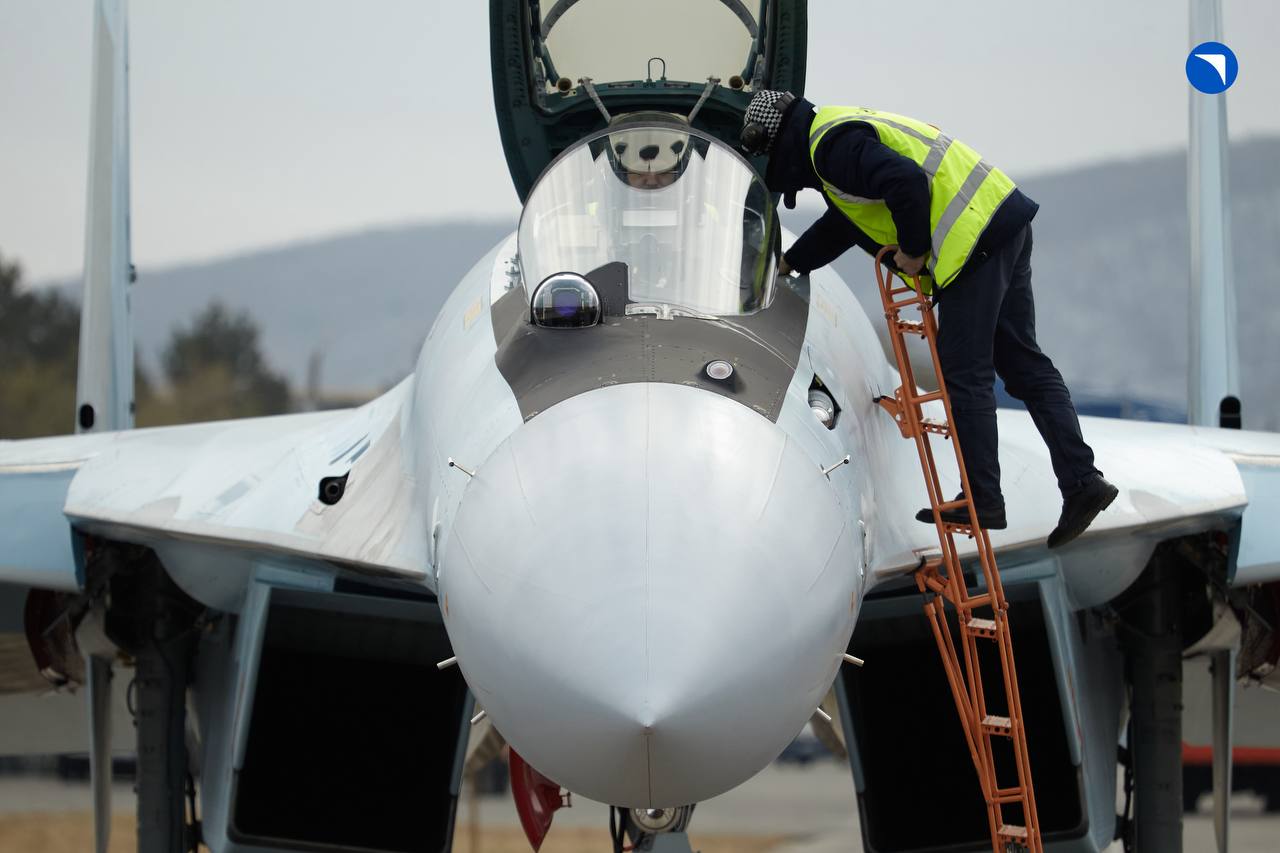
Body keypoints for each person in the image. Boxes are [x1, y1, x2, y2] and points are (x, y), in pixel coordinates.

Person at [741, 90, 1117, 548]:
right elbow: (845, 222)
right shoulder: (835, 133)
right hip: (1002, 222)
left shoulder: (829, 149)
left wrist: (915, 249)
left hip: (970, 243)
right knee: (1024, 366)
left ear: (777, 143)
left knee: (965, 372)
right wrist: (791, 262)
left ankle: (982, 499)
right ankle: (1083, 481)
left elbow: (905, 182)